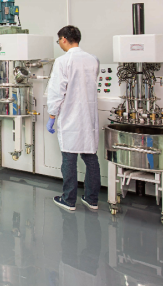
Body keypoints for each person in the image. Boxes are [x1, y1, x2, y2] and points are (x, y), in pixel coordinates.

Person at [46, 25, 101, 212]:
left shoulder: (63, 61)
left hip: (70, 115)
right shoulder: (93, 60)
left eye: (59, 41)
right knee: (91, 158)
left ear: (63, 39)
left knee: (69, 158)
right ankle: (92, 199)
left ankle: (69, 200)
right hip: (89, 116)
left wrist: (52, 114)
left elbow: (56, 91)